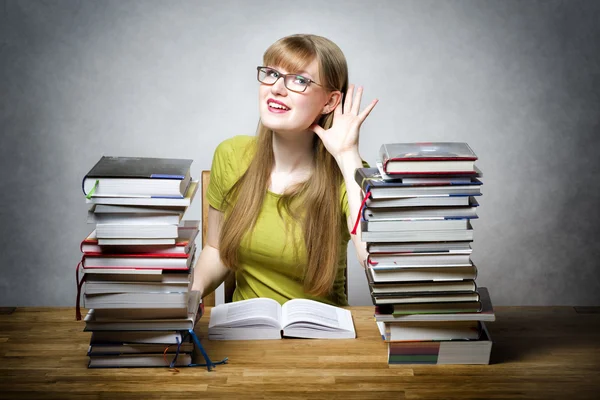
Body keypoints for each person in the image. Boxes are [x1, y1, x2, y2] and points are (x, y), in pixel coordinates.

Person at [191, 34, 377, 306]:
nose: (276, 88)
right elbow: (217, 249)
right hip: (245, 337)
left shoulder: (349, 174)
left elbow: (371, 261)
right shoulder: (231, 155)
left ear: (329, 102)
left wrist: (348, 156)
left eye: (299, 80)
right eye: (272, 73)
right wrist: (189, 297)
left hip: (323, 338)